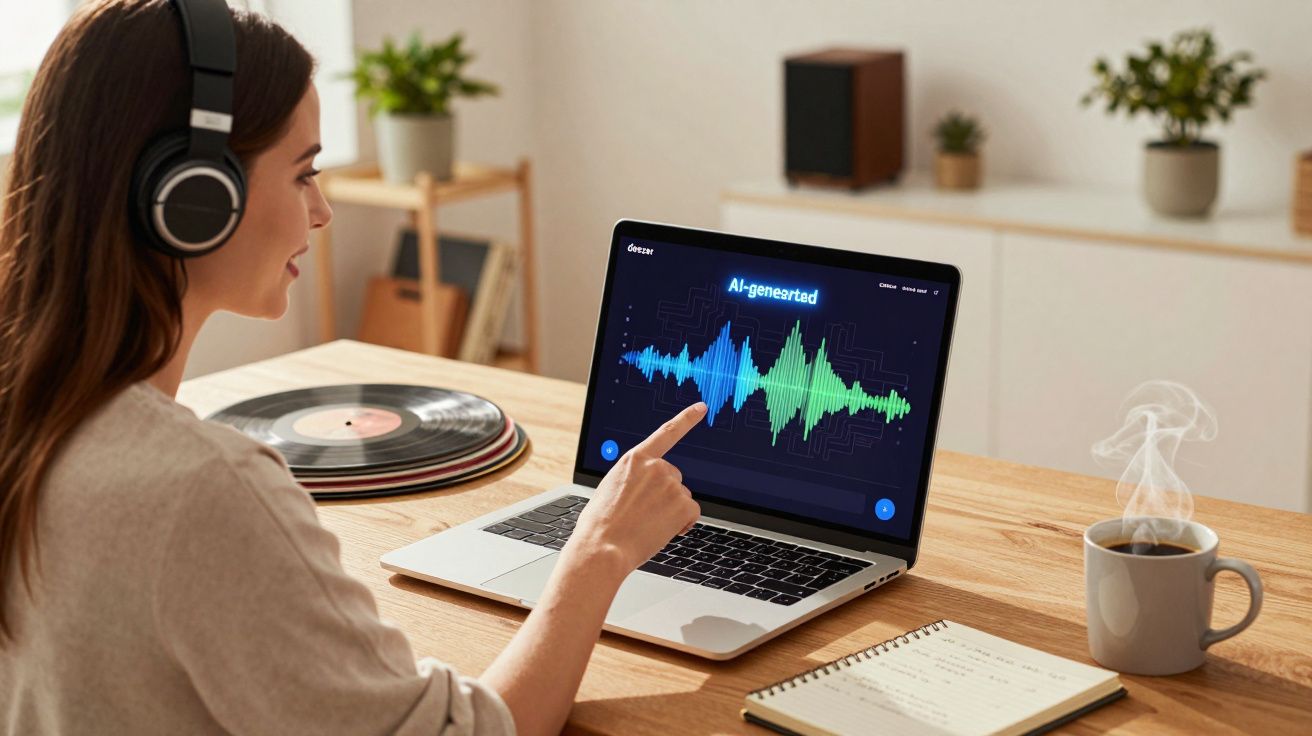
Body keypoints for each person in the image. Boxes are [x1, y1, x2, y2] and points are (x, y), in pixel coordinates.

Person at [0, 2, 703, 734]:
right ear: (195, 197)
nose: (322, 210)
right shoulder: (202, 492)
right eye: (303, 173)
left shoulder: (29, 415)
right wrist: (597, 551)